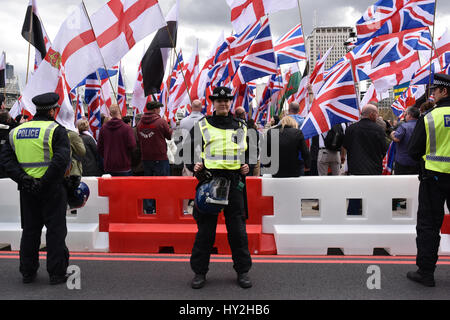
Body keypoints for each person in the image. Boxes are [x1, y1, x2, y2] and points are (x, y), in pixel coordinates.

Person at [185, 86, 252, 289]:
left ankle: (243, 271)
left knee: (238, 231)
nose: (223, 103)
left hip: (234, 183)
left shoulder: (241, 124)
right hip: (210, 181)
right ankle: (199, 272)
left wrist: (246, 164)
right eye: (219, 100)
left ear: (230, 102)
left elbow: (248, 151)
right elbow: (187, 150)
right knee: (206, 231)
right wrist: (194, 165)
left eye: (226, 100)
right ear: (213, 103)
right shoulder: (202, 124)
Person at [0, 92, 71, 284]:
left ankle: (28, 273)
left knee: (30, 231)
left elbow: (6, 160)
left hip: (27, 189)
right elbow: (61, 161)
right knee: (55, 231)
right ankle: (56, 274)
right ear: (51, 111)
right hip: (52, 189)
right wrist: (44, 182)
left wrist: (24, 179)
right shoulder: (56, 130)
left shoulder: (16, 131)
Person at [406, 74, 450, 287]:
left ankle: (426, 272)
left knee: (428, 226)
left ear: (445, 92)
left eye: (435, 90)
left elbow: (413, 151)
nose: (432, 94)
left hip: (433, 178)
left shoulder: (430, 117)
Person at [342, 104, 388, 215]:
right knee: (372, 194)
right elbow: (384, 149)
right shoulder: (379, 129)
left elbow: (346, 146)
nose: (377, 116)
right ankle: (371, 214)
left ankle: (353, 214)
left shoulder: (351, 129)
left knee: (355, 194)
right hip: (373, 168)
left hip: (355, 168)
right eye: (376, 114)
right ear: (372, 114)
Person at [136, 101, 173, 214]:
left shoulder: (140, 123)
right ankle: (162, 206)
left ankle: (149, 208)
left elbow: (139, 138)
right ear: (156, 109)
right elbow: (170, 135)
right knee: (163, 184)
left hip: (146, 157)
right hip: (160, 157)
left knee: (148, 184)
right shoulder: (161, 121)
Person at [97, 104, 136, 176]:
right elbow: (132, 145)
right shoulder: (127, 128)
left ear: (110, 114)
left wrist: (107, 156)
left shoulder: (103, 128)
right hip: (124, 165)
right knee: (125, 187)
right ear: (120, 112)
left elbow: (99, 148)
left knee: (111, 187)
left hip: (109, 165)